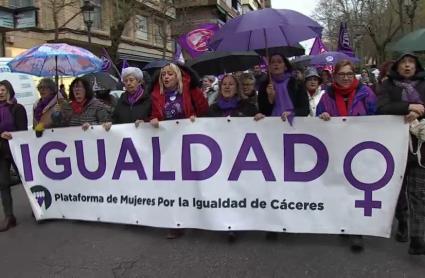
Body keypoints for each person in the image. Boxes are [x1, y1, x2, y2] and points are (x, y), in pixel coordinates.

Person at [316, 60, 376, 252]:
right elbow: (317, 118)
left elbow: (378, 116)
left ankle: (356, 230)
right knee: (340, 187)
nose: (346, 77)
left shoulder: (366, 93)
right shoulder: (327, 96)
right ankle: (343, 221)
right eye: (342, 74)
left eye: (349, 74)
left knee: (356, 189)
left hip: (360, 149)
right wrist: (323, 115)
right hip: (336, 148)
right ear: (335, 76)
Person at [150, 63, 208, 239]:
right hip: (169, 147)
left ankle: (202, 217)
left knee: (195, 183)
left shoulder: (191, 91)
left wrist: (195, 118)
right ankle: (177, 222)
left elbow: (205, 111)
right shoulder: (156, 95)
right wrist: (152, 119)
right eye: (163, 75)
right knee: (174, 186)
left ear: (178, 76)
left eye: (169, 74)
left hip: (192, 143)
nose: (166, 77)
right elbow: (154, 115)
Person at [376, 53, 425, 255]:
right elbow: (382, 107)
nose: (407, 66)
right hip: (394, 146)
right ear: (397, 66)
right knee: (398, 190)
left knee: (418, 193)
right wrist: (409, 106)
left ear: (416, 66)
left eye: (411, 63)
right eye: (404, 63)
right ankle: (402, 221)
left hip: (420, 148)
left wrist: (421, 110)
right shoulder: (388, 86)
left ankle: (417, 238)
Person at [0, 80, 28, 232]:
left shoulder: (18, 108)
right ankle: (9, 217)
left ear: (9, 90)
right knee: (3, 184)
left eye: (3, 89)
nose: (0, 92)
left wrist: (12, 135)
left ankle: (39, 208)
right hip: (1, 151)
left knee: (26, 180)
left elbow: (22, 129)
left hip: (16, 149)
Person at [258, 53, 309, 122]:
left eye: (279, 62)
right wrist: (270, 99)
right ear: (269, 67)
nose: (276, 64)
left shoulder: (296, 83)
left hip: (294, 124)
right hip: (272, 125)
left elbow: (305, 109)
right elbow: (263, 112)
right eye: (272, 62)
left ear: (285, 66)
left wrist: (293, 113)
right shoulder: (264, 85)